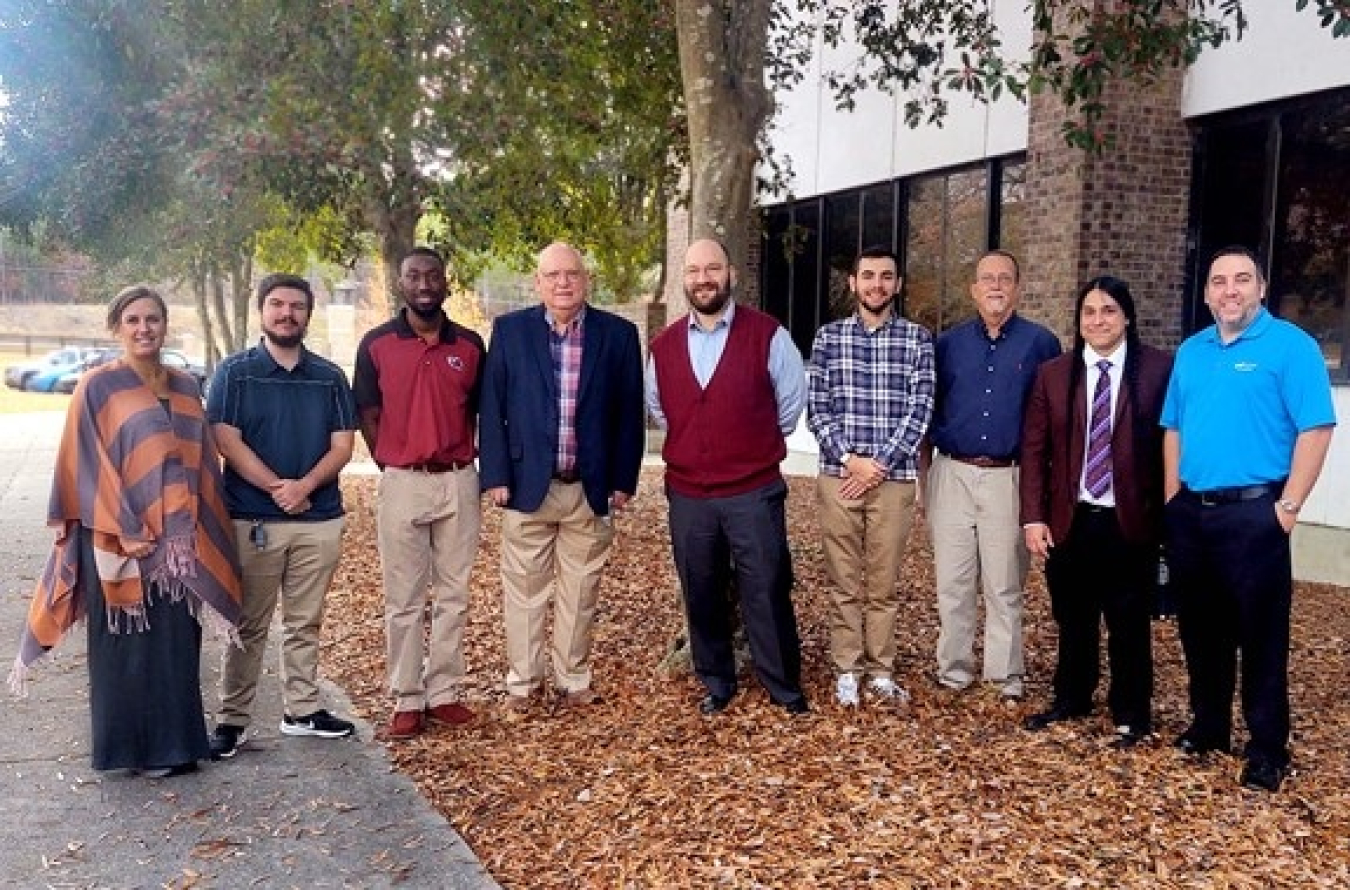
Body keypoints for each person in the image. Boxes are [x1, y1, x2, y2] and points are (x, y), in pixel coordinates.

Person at [10, 285, 242, 777]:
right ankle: (131, 752)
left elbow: (200, 461)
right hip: (120, 542)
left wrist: (199, 525)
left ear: (164, 325)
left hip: (179, 548)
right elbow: (84, 464)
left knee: (177, 647)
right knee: (129, 651)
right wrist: (126, 528)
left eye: (152, 319)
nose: (144, 328)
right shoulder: (97, 387)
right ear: (116, 327)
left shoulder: (184, 385)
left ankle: (177, 747)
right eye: (133, 320)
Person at [1162, 245, 1335, 792]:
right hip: (1193, 513)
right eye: (1219, 281)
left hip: (1257, 513)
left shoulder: (1291, 347)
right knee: (1200, 630)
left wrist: (1288, 508)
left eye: (1241, 280)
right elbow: (1174, 428)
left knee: (1260, 637)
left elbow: (1316, 429)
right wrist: (1173, 498)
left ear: (1260, 287)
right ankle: (1210, 726)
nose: (1229, 290)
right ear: (1208, 292)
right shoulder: (1192, 351)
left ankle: (1266, 749)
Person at [479, 242, 645, 711]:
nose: (563, 283)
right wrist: (494, 474)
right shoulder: (510, 332)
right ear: (538, 282)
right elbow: (492, 408)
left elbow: (629, 414)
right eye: (552, 275)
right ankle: (524, 683)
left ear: (585, 279)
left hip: (588, 487)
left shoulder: (617, 335)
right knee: (525, 590)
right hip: (527, 484)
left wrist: (623, 480)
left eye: (571, 274)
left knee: (581, 590)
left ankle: (573, 680)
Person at [647, 237, 809, 716]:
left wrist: (747, 446)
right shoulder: (664, 345)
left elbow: (790, 404)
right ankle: (717, 682)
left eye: (712, 268)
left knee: (767, 585)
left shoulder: (768, 335)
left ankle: (782, 684)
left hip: (753, 491)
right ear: (685, 279)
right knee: (700, 588)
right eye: (695, 270)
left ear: (730, 274)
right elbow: (661, 412)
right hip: (689, 494)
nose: (703, 278)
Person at [205, 274, 359, 759]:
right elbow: (225, 439)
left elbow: (343, 444)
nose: (286, 313)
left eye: (296, 306)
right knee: (248, 622)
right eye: (277, 304)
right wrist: (277, 488)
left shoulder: (329, 376)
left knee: (305, 621)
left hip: (319, 519)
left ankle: (302, 709)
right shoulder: (236, 372)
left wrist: (306, 486)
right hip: (253, 520)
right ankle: (232, 719)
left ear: (307, 314)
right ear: (261, 312)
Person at [1019, 277, 1173, 747]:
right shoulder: (1054, 373)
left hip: (1131, 517)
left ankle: (1131, 713)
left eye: (1108, 310)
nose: (1098, 320)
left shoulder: (1160, 371)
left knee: (1128, 619)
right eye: (1089, 311)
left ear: (1126, 317)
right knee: (1073, 615)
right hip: (1072, 516)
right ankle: (1072, 698)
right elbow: (1034, 449)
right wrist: (1033, 516)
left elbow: (1171, 445)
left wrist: (1171, 515)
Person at [353, 247, 487, 739]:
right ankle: (407, 697)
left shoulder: (470, 345)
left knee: (454, 593)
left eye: (433, 275)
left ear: (446, 283)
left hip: (457, 478)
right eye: (414, 276)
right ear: (401, 284)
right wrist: (392, 458)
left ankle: (445, 691)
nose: (424, 284)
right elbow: (367, 412)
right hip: (403, 480)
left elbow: (480, 410)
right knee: (404, 597)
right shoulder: (376, 344)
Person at [926, 249, 1061, 699]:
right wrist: (928, 482)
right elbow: (930, 413)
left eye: (1005, 278)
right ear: (974, 289)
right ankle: (954, 670)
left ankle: (1004, 678)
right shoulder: (947, 345)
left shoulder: (1041, 345)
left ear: (1018, 288)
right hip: (953, 472)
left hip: (1010, 476)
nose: (996, 286)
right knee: (953, 581)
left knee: (1004, 584)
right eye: (987, 279)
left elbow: (1051, 420)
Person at [806, 245, 935, 707]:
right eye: (868, 276)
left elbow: (921, 410)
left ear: (897, 285)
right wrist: (850, 460)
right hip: (838, 477)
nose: (876, 284)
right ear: (852, 283)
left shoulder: (918, 340)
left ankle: (881, 670)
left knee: (883, 583)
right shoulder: (827, 339)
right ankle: (847, 669)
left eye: (886, 276)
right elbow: (817, 408)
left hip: (893, 480)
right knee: (843, 580)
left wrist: (877, 465)